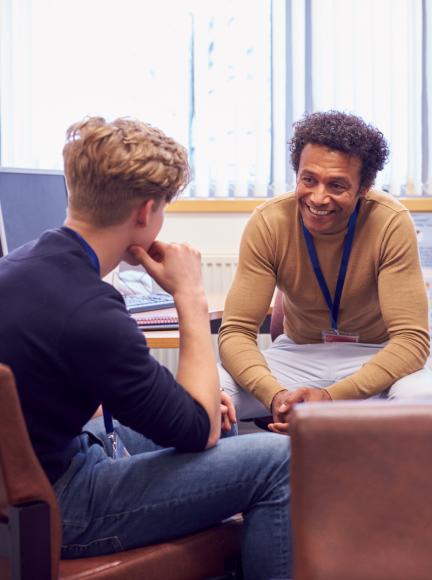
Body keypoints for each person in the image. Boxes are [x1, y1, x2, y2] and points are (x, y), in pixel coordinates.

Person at [0, 117, 291, 579]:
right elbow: (196, 431)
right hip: (60, 506)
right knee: (280, 461)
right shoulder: (91, 311)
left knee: (223, 420)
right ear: (146, 212)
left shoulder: (22, 263)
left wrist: (196, 411)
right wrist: (190, 296)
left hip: (32, 478)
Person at [218, 110, 432, 434]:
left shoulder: (390, 222)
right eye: (308, 179)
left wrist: (331, 398)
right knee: (208, 392)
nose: (318, 197)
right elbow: (236, 332)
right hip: (297, 356)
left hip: (374, 356)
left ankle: (391, 486)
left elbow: (411, 341)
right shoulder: (269, 222)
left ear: (364, 187)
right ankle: (242, 480)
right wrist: (276, 396)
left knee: (421, 400)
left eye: (336, 185)